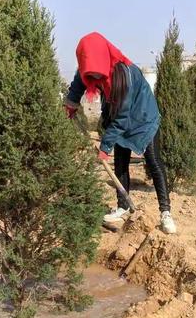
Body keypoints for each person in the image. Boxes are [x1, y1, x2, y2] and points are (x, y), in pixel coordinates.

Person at [64, 32, 176, 234]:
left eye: (98, 75)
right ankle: (123, 206)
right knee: (120, 162)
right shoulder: (89, 68)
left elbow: (122, 118)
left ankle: (165, 212)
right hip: (117, 113)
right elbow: (78, 85)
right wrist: (71, 104)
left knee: (154, 161)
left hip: (142, 116)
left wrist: (104, 147)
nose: (96, 78)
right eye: (92, 75)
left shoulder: (125, 74)